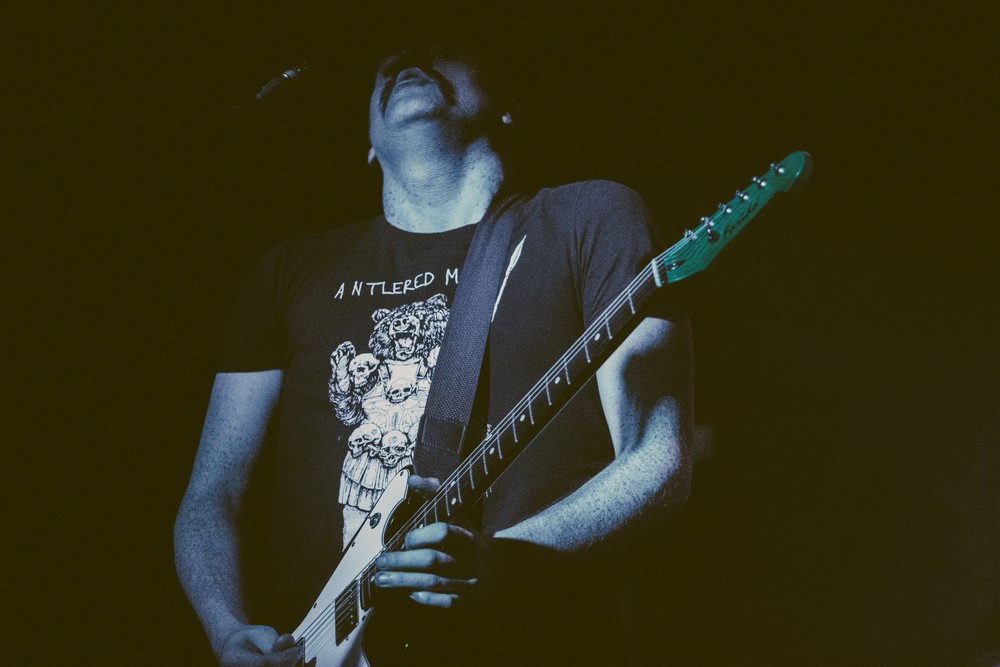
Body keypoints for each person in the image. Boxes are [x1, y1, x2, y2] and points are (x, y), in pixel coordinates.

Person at [174, 38, 693, 667]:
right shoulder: (290, 270)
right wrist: (226, 630)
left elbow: (658, 456)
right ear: (368, 145)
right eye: (387, 59)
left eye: (442, 41)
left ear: (508, 106)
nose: (405, 56)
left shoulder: (589, 217)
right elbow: (213, 493)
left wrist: (507, 560)